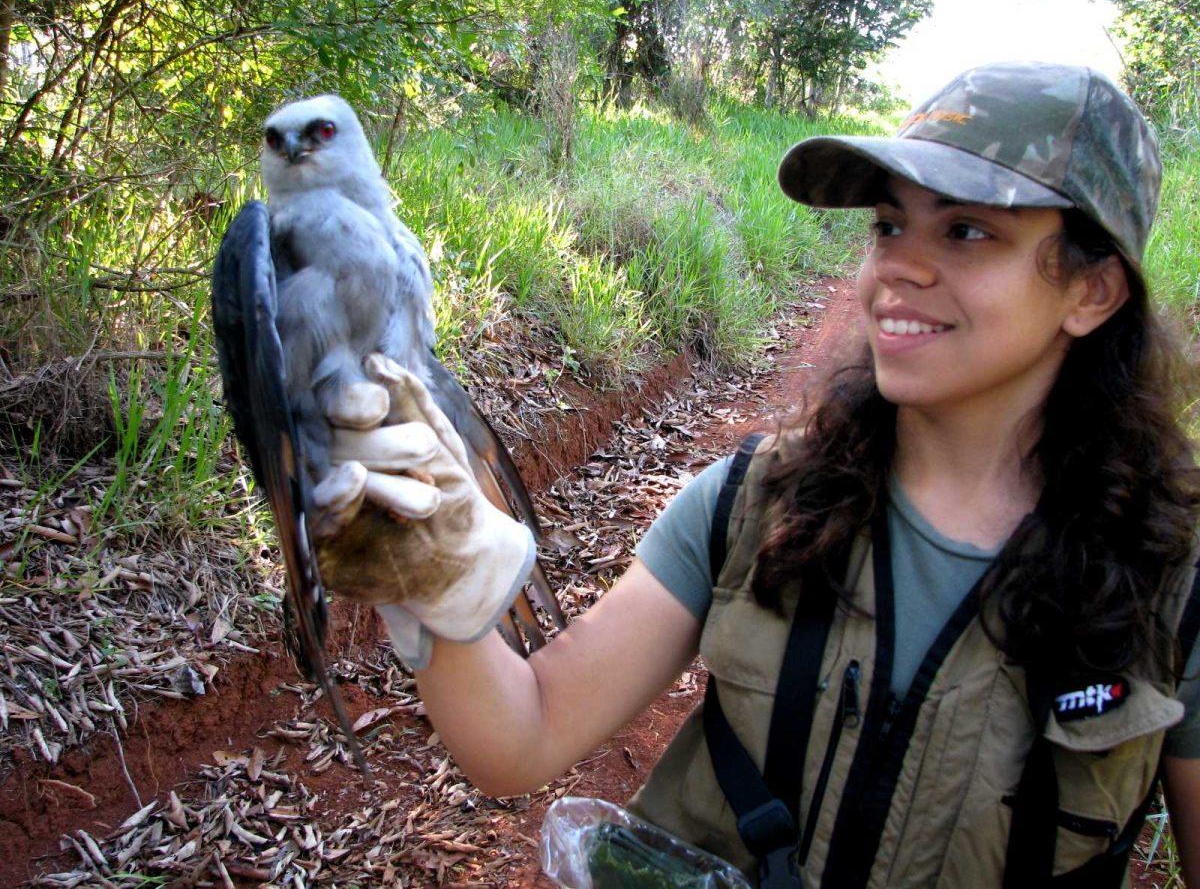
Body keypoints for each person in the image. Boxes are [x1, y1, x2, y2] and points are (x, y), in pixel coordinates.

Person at [315, 61, 1200, 886]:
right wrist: (435, 589)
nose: (899, 266)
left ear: (1093, 292)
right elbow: (524, 737)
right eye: (889, 224)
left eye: (967, 230)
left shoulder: (1177, 577)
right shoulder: (754, 502)